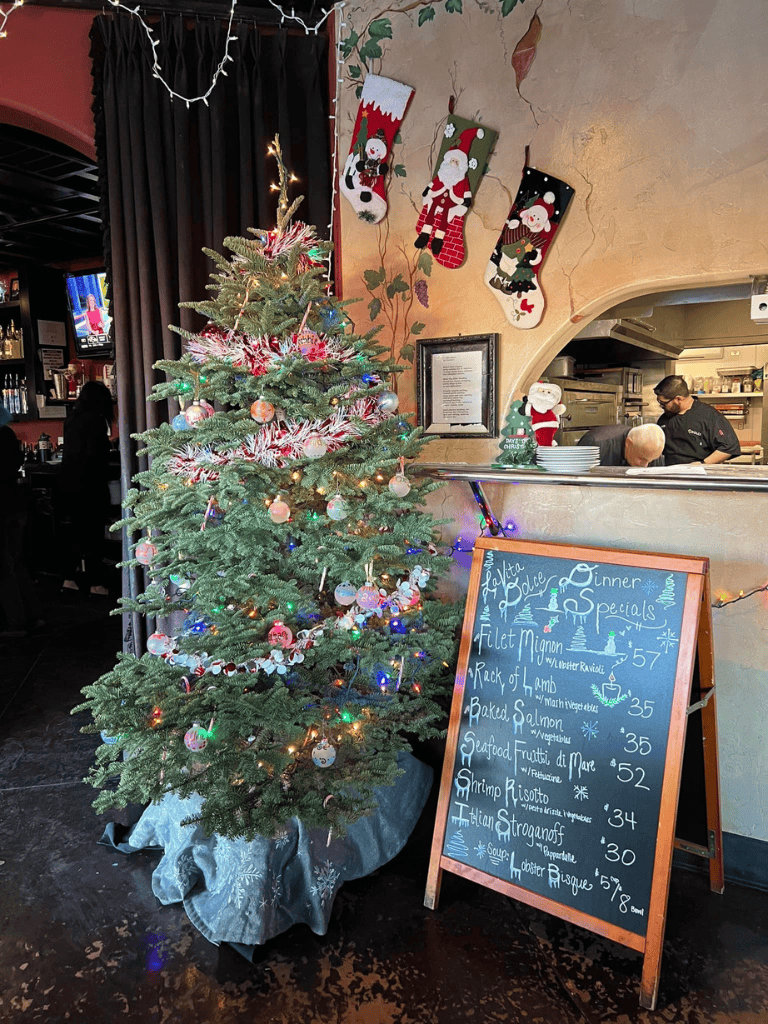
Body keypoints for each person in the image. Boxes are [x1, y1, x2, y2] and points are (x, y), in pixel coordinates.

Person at [58, 381, 114, 596]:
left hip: (67, 486)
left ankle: (68, 579)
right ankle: (95, 583)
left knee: (73, 535)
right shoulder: (97, 422)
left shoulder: (71, 420)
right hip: (90, 487)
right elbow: (97, 457)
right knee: (93, 538)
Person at [0, 403, 43, 637]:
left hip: (2, 506)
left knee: (4, 568)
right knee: (16, 562)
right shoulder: (7, 433)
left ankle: (16, 622)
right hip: (15, 504)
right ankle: (33, 616)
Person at [654, 375, 741, 465]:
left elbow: (729, 447)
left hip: (699, 475)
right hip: (670, 475)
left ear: (678, 399)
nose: (661, 406)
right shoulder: (664, 419)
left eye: (663, 403)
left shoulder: (709, 416)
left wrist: (701, 464)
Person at [577, 423, 665, 467]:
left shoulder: (650, 452)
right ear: (628, 443)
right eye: (641, 459)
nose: (645, 465)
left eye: (651, 461)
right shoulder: (595, 444)